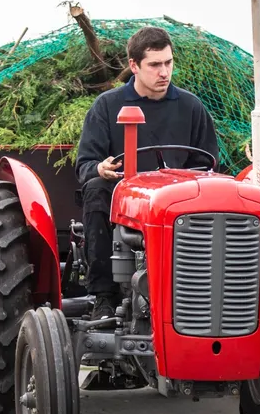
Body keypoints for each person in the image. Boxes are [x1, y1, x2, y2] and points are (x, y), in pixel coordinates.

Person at [74, 26, 220, 319]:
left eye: (168, 63)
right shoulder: (107, 106)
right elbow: (85, 165)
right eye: (155, 65)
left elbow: (209, 164)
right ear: (134, 66)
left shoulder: (191, 107)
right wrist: (100, 168)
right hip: (127, 199)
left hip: (179, 199)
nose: (164, 72)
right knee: (95, 190)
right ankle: (103, 295)